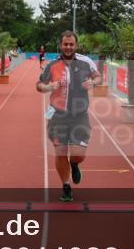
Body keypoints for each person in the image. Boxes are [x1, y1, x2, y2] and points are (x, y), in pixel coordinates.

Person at [37, 31, 100, 203]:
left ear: (76, 45)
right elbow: (39, 84)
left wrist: (92, 83)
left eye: (71, 44)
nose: (68, 47)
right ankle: (65, 186)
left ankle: (74, 164)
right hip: (58, 116)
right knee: (60, 152)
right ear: (60, 45)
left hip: (79, 116)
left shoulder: (86, 62)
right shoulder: (52, 65)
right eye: (65, 44)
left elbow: (98, 77)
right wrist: (48, 87)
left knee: (78, 155)